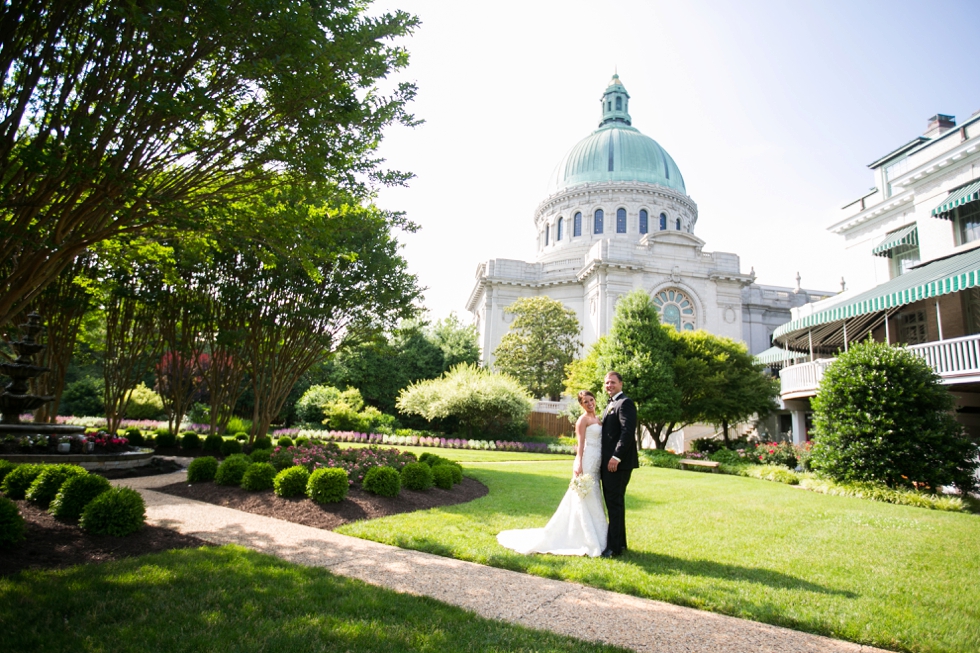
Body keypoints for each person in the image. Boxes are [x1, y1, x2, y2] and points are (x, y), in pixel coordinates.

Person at [496, 390, 608, 557]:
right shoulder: (582, 420)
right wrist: (578, 464)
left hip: (597, 461)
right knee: (584, 497)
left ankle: (600, 536)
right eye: (585, 402)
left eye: (591, 400)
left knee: (595, 496)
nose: (590, 403)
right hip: (587, 460)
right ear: (581, 404)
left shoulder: (598, 419)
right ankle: (586, 538)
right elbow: (581, 444)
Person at [599, 371, 638, 558]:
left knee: (614, 504)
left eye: (613, 382)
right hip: (609, 464)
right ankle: (620, 543)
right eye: (607, 383)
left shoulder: (625, 403)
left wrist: (616, 457)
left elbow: (627, 432)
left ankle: (613, 548)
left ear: (621, 384)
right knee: (615, 504)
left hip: (617, 465)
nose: (609, 385)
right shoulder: (610, 404)